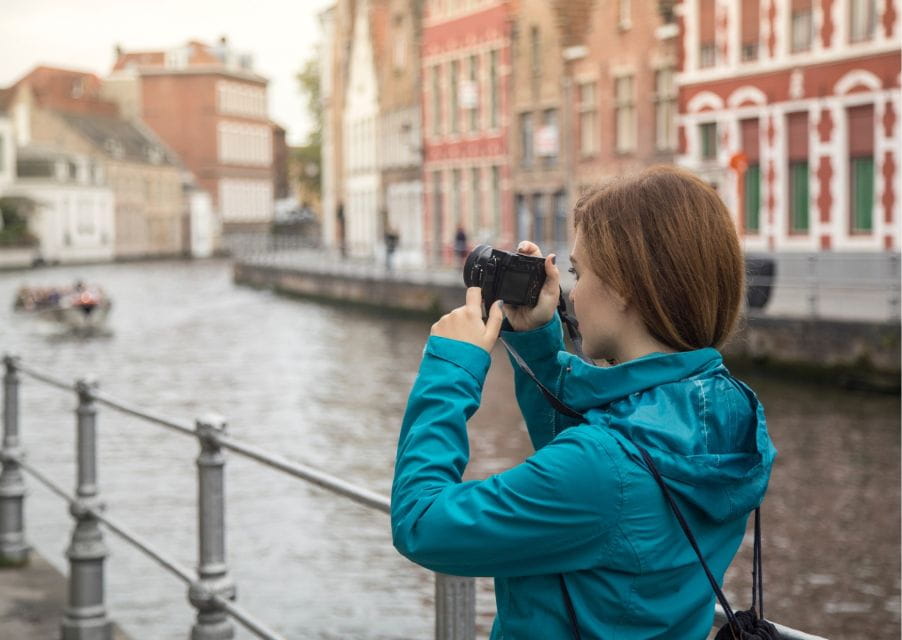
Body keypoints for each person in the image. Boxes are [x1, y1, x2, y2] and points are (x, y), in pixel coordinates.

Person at [391, 166, 776, 639]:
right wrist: (536, 343)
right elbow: (590, 484)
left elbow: (421, 522)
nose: (571, 294)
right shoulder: (731, 412)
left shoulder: (602, 467)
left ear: (625, 287)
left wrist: (451, 368)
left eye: (578, 272)